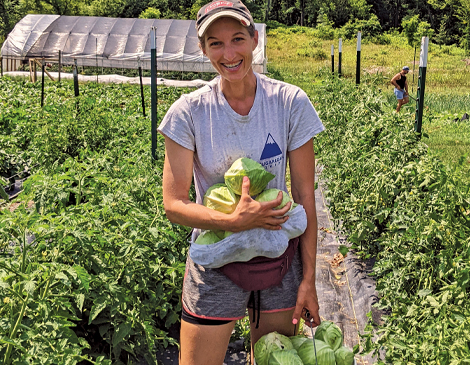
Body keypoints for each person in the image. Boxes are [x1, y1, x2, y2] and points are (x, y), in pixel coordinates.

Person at [158, 1, 324, 363]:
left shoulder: (289, 102)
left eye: (237, 39)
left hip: (278, 257)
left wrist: (308, 278)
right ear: (203, 50)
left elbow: (305, 197)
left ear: (255, 39)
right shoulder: (188, 113)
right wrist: (234, 222)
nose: (229, 53)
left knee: (271, 357)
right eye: (215, 43)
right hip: (215, 258)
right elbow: (174, 204)